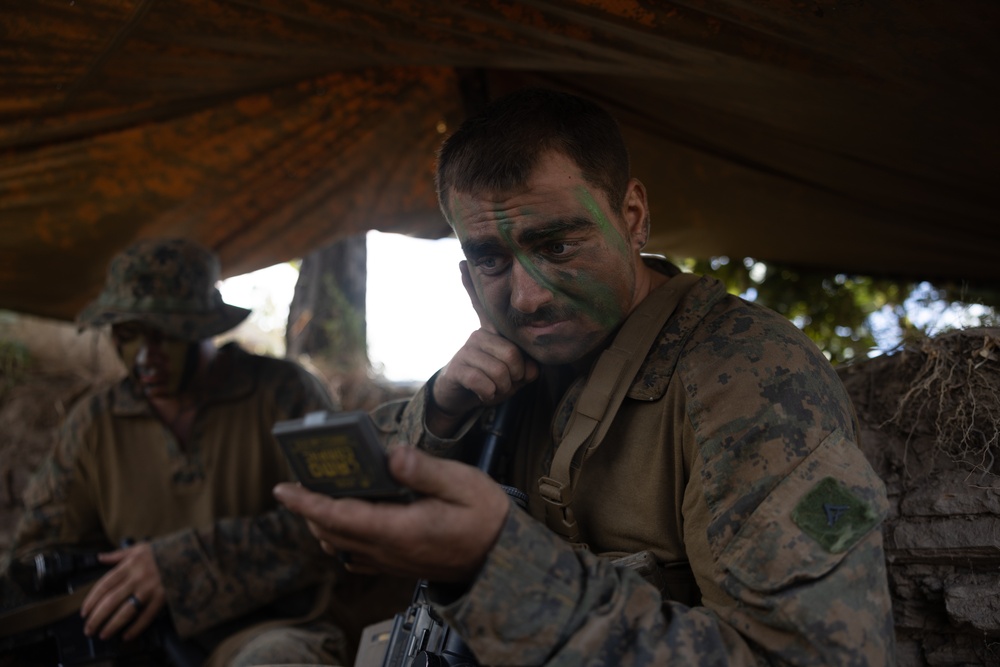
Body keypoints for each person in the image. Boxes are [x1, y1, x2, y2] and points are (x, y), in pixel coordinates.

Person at [275, 88, 896, 665]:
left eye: (557, 248)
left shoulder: (753, 379)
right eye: (491, 259)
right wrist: (438, 410)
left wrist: (494, 571)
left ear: (632, 216)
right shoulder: (495, 376)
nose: (526, 299)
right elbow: (341, 506)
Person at [2, 237, 352, 665]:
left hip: (267, 629)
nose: (145, 357)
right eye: (128, 335)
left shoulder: (285, 395)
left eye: (164, 336)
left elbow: (343, 526)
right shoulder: (94, 423)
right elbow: (36, 556)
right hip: (138, 638)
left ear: (203, 327)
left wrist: (178, 566)